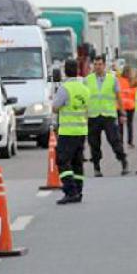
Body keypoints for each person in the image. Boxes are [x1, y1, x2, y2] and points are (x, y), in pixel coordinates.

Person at [52, 58, 90, 204]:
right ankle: (79, 191)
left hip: (68, 131)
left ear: (65, 71)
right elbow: (87, 109)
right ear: (78, 70)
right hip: (81, 130)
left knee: (62, 161)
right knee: (77, 162)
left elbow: (55, 107)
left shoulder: (65, 88)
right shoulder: (84, 88)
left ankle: (70, 191)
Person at [85, 55, 129, 176]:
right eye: (95, 64)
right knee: (94, 143)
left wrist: (122, 113)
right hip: (93, 116)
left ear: (104, 65)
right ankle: (97, 168)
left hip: (108, 115)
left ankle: (123, 161)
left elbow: (118, 97)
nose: (98, 67)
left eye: (100, 64)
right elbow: (84, 98)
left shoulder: (112, 79)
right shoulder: (88, 80)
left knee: (115, 140)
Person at [117, 66, 137, 148]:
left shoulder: (120, 80)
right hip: (124, 107)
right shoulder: (122, 80)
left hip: (126, 107)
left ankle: (128, 142)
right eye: (128, 72)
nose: (129, 74)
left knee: (127, 125)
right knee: (124, 125)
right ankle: (125, 142)